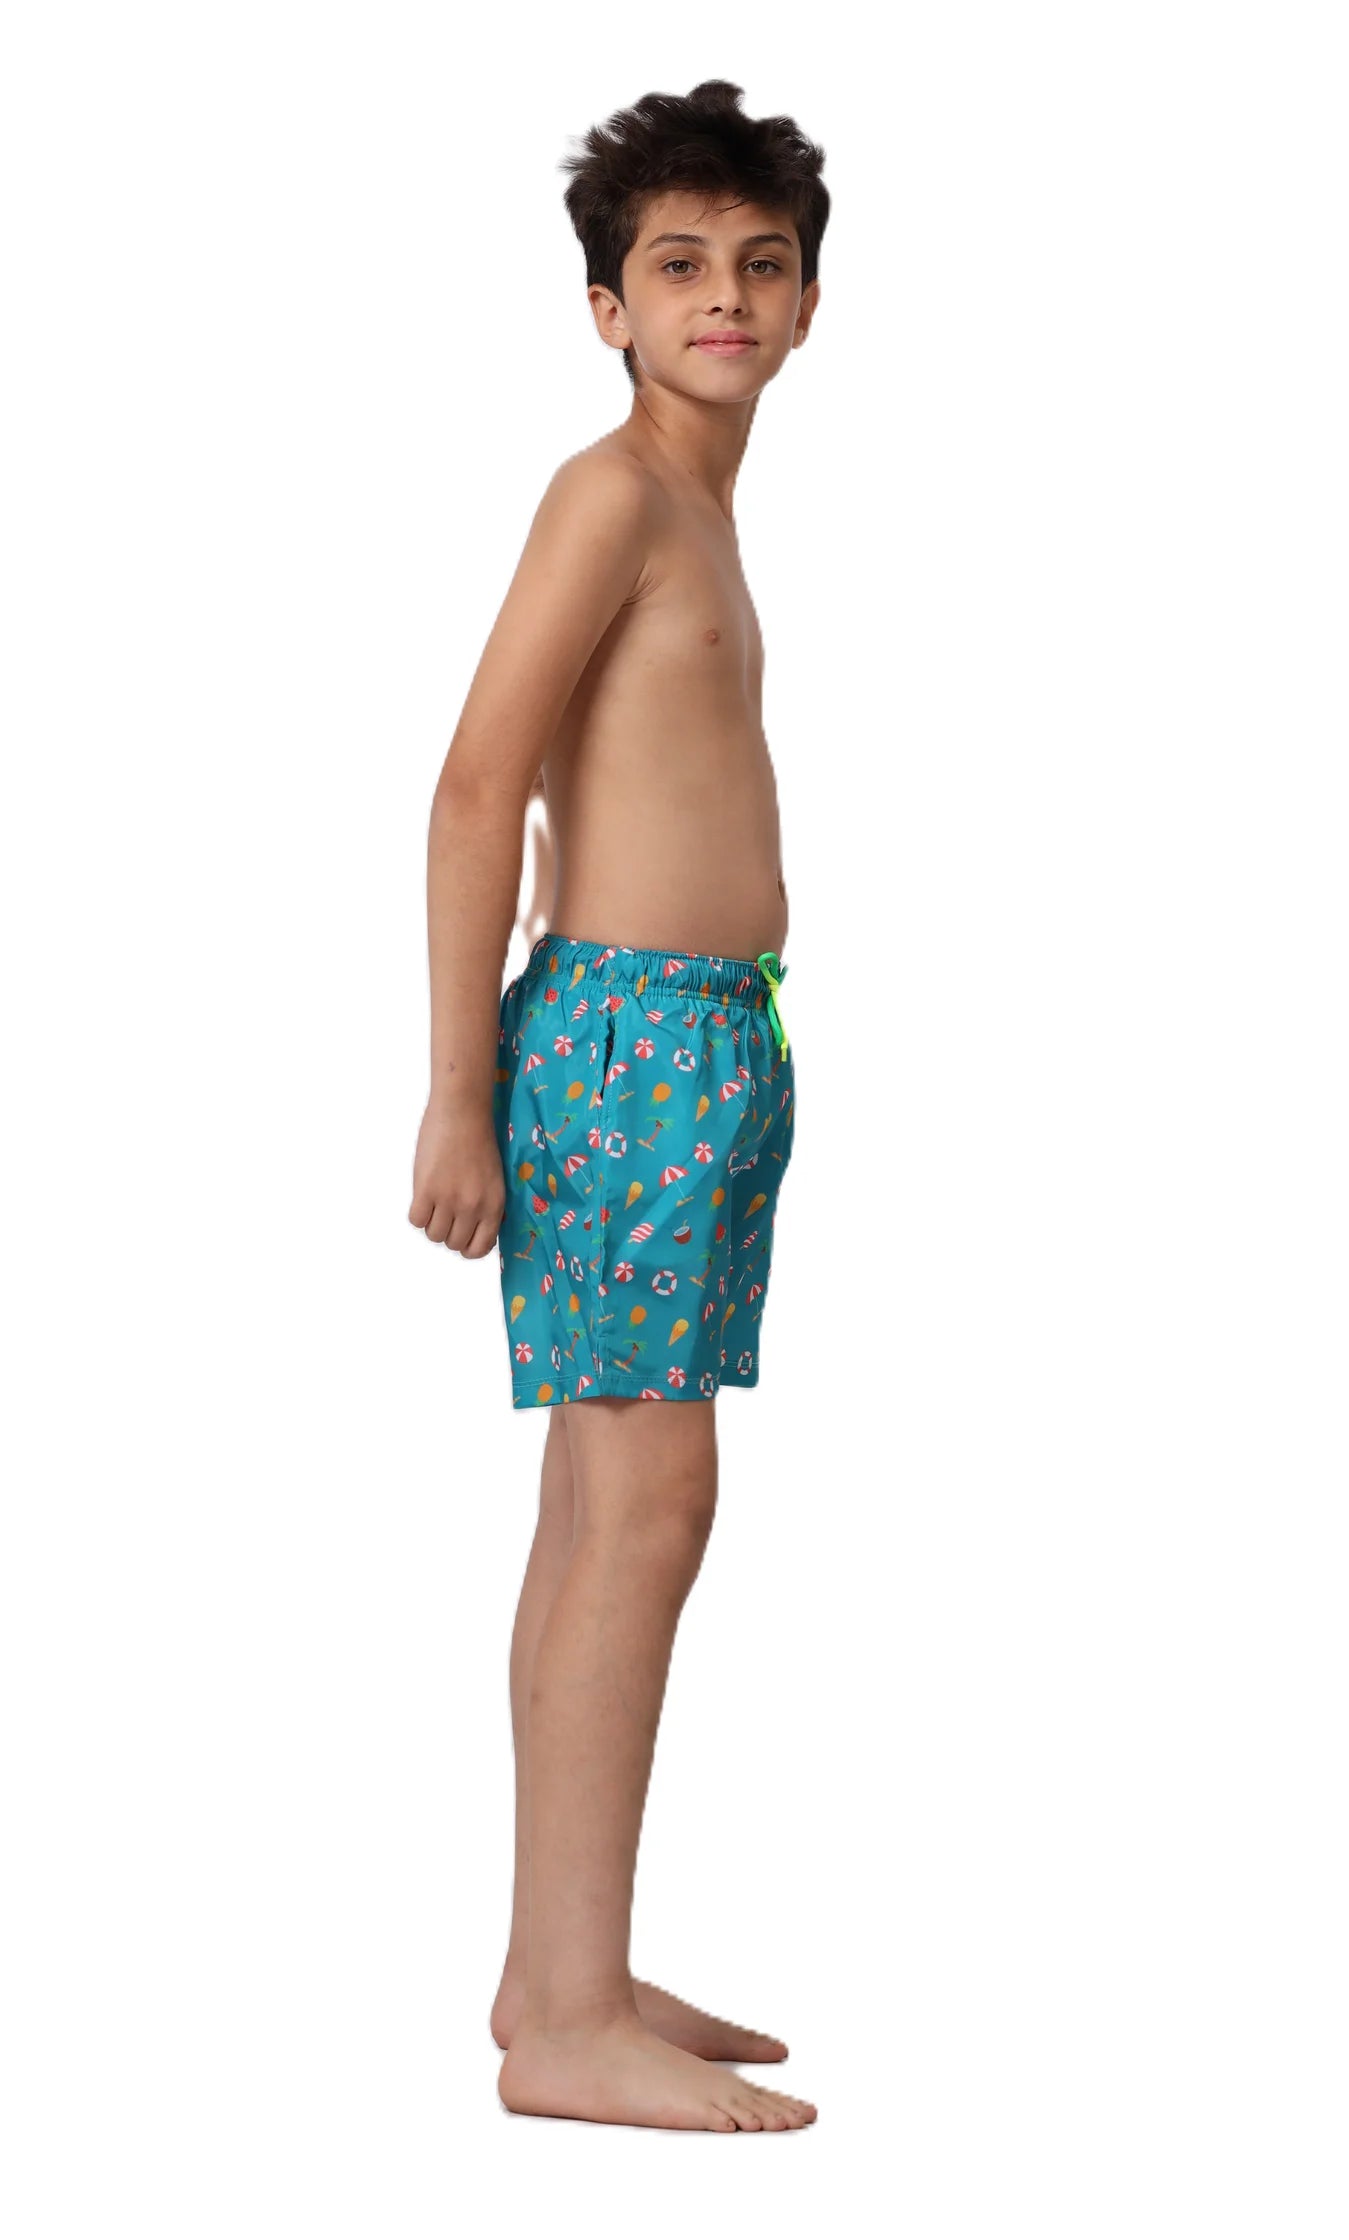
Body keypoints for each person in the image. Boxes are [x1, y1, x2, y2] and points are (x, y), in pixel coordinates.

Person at [409, 80, 825, 2134]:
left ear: (808, 302)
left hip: (704, 1045)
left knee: (601, 1508)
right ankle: (566, 2019)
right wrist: (456, 1091)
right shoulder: (613, 494)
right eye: (679, 265)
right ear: (608, 308)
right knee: (646, 1508)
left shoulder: (696, 504)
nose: (723, 295)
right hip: (628, 1054)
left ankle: (553, 1970)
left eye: (761, 262)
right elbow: (475, 784)